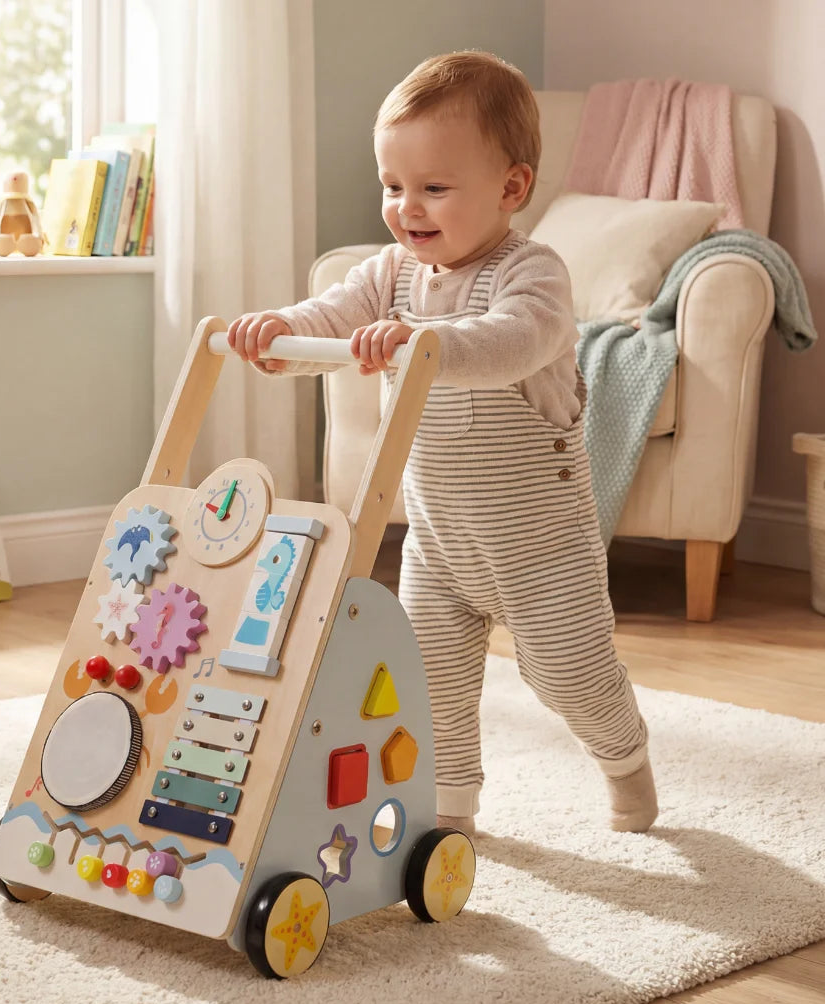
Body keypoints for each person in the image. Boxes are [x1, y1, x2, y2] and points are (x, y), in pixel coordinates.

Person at [227, 50, 658, 835]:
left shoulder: (533, 277)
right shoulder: (388, 273)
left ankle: (626, 759)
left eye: (433, 188)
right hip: (440, 543)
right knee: (430, 685)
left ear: (511, 188)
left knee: (571, 676)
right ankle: (451, 814)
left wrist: (418, 340)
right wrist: (281, 332)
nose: (406, 208)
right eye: (393, 186)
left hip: (542, 548)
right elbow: (331, 316)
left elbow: (510, 343)